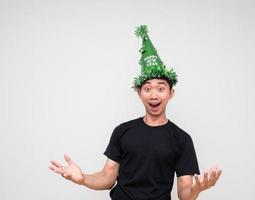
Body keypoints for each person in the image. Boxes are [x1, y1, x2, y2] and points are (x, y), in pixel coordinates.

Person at [48, 25, 222, 200]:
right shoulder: (122, 131)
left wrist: (196, 190)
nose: (154, 95)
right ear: (140, 94)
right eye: (147, 89)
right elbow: (107, 178)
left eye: (161, 88)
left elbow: (185, 195)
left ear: (171, 94)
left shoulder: (182, 139)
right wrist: (82, 178)